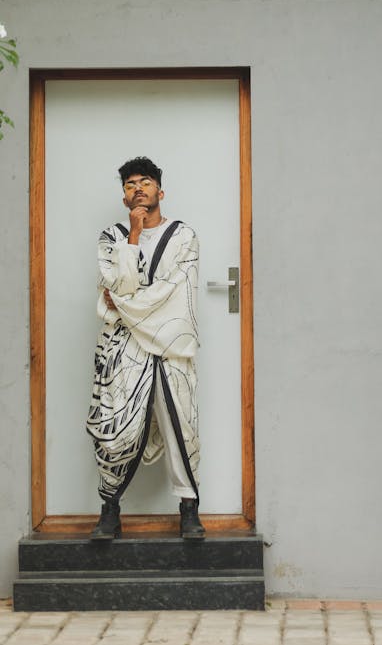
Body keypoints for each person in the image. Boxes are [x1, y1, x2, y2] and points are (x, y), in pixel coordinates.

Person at [86, 156, 205, 540]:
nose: (138, 188)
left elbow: (175, 295)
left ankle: (189, 510)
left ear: (160, 190)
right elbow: (118, 287)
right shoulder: (112, 237)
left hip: (171, 348)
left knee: (179, 428)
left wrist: (124, 303)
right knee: (115, 430)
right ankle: (110, 511)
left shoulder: (184, 236)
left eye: (146, 182)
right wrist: (133, 237)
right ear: (124, 196)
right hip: (123, 349)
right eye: (130, 184)